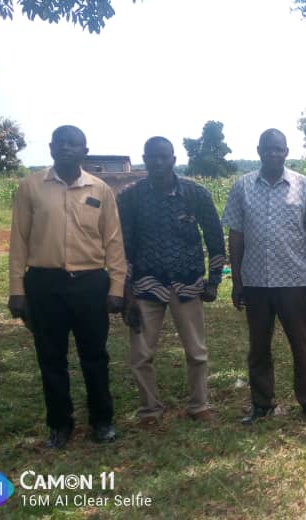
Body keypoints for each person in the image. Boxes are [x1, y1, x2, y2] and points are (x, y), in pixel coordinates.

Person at [8, 125, 127, 449]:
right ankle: (60, 425)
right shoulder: (31, 187)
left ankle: (102, 421)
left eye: (73, 144)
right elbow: (18, 241)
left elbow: (114, 242)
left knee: (95, 356)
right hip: (44, 284)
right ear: (50, 148)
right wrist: (17, 289)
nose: (66, 148)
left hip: (90, 284)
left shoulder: (100, 189)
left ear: (84, 152)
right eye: (60, 143)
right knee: (51, 358)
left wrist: (116, 288)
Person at [117, 136, 226, 425]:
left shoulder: (195, 194)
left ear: (174, 160)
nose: (158, 162)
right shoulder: (130, 197)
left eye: (164, 157)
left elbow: (215, 239)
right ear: (144, 159)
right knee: (141, 354)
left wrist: (214, 280)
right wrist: (126, 291)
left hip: (187, 284)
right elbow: (123, 246)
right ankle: (150, 410)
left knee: (197, 352)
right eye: (152, 157)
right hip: (145, 285)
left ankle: (199, 405)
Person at [222, 129, 306, 426]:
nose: (273, 154)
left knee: (303, 345)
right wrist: (237, 281)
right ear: (259, 151)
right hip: (255, 281)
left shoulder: (303, 186)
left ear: (286, 152)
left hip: (294, 281)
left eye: (278, 149)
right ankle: (261, 403)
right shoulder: (243, 187)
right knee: (258, 347)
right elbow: (236, 235)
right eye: (267, 149)